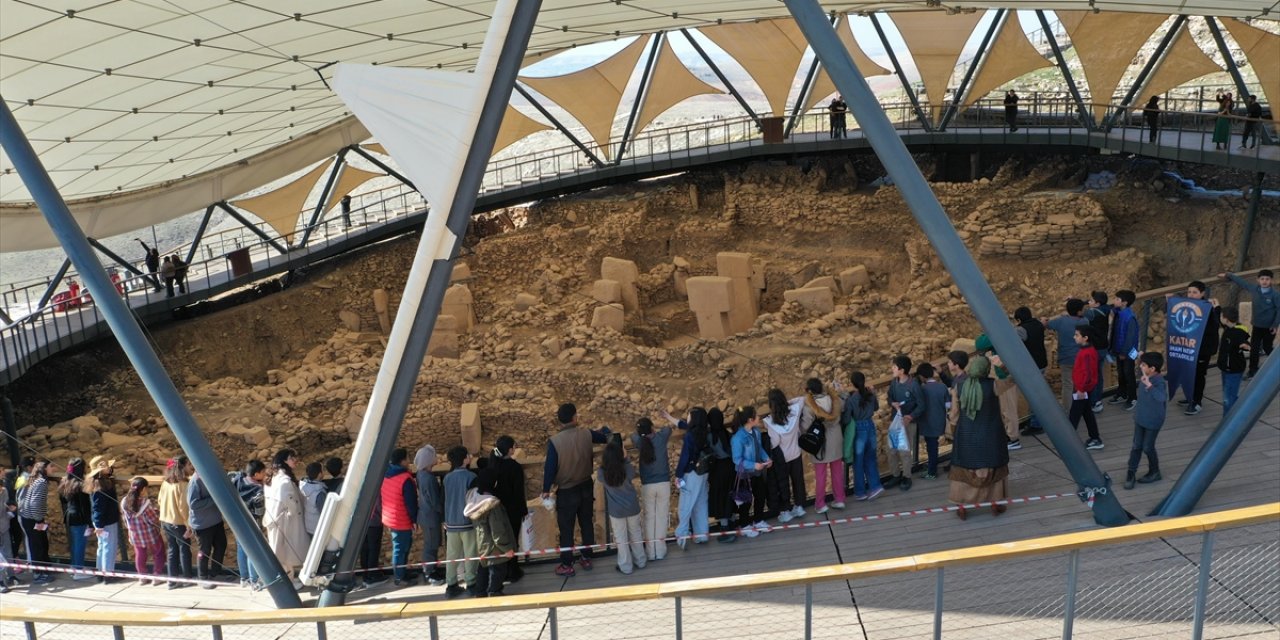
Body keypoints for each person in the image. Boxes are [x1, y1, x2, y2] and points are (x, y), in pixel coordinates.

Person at [540, 403, 610, 578]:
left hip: (566, 490)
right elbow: (604, 437)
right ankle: (586, 557)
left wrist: (545, 489)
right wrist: (605, 429)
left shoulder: (555, 442)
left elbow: (550, 468)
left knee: (566, 529)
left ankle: (567, 564)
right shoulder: (586, 433)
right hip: (586, 485)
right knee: (586, 523)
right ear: (574, 417)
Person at [949, 356, 1009, 520]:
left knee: (964, 467)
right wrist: (1002, 367)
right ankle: (994, 503)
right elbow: (1011, 380)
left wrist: (955, 432)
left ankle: (961, 506)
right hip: (991, 434)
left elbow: (954, 415)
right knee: (993, 466)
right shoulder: (994, 385)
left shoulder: (959, 386)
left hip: (966, 434)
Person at [597, 434, 646, 575]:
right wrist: (625, 458)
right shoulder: (628, 469)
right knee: (636, 534)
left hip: (616, 511)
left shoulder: (602, 473)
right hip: (632, 507)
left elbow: (602, 472)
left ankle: (626, 566)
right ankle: (641, 561)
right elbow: (631, 472)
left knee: (621, 539)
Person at [1174, 281, 1221, 416]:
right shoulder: (1187, 307)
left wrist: (1217, 309)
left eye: (1195, 292)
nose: (1191, 295)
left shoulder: (1208, 307)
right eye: (1189, 292)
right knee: (1189, 373)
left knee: (1199, 375)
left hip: (1203, 348)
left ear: (1202, 293)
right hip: (1190, 347)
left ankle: (1197, 402)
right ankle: (1190, 397)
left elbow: (1215, 326)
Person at [465, 469, 514, 596]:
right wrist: (506, 547)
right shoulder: (492, 504)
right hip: (495, 547)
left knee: (483, 568)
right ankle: (494, 592)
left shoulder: (474, 500)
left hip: (482, 544)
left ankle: (480, 593)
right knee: (498, 570)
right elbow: (497, 530)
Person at [1221, 269, 1278, 380]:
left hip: (1269, 328)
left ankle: (1277, 365)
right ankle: (1253, 370)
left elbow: (1279, 310)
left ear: (1271, 280)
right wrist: (1229, 274)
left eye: (1267, 279)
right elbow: (1242, 282)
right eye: (1262, 279)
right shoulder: (1254, 289)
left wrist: (1275, 325)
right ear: (1258, 280)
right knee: (1254, 349)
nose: (1264, 281)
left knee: (1267, 348)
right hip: (1257, 326)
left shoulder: (1275, 295)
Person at [262, 449, 308, 585]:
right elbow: (286, 498)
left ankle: (288, 579)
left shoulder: (273, 477)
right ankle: (286, 582)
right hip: (284, 520)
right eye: (291, 458)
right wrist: (293, 511)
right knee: (284, 551)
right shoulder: (284, 480)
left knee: (281, 550)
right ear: (284, 461)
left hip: (275, 519)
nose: (295, 460)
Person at [631, 417, 672, 562]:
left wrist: (642, 433)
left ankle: (650, 552)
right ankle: (660, 551)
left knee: (649, 518)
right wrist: (655, 428)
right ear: (652, 428)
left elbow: (633, 435)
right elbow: (668, 428)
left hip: (647, 485)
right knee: (661, 517)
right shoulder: (661, 437)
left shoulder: (639, 441)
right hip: (663, 483)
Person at [800, 379, 844, 513]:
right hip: (836, 439)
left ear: (810, 391)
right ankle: (840, 499)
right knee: (837, 473)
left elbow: (806, 426)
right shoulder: (834, 400)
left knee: (820, 475)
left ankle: (820, 504)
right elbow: (843, 406)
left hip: (820, 444)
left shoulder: (809, 406)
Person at [486, 436, 526, 583]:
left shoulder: (493, 465)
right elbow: (519, 492)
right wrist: (523, 510)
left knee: (500, 541)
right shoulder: (515, 467)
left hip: (496, 510)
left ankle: (500, 573)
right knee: (513, 541)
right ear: (510, 449)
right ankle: (512, 571)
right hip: (513, 510)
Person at [839, 371, 884, 501]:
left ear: (852, 384)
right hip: (870, 426)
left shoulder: (851, 400)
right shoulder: (869, 394)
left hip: (858, 430)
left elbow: (847, 419)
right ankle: (875, 486)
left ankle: (860, 492)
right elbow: (875, 408)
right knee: (870, 458)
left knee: (857, 462)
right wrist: (873, 392)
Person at [1125, 353, 1168, 489]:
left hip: (1153, 420)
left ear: (1153, 369)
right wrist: (1141, 357)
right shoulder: (1145, 375)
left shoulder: (1159, 382)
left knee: (1148, 447)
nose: (1140, 366)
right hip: (1140, 418)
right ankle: (1131, 473)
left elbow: (1161, 398)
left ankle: (1155, 471)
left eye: (1143, 365)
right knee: (1136, 446)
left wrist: (1149, 386)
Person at [764, 388, 807, 520]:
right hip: (796, 453)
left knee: (783, 484)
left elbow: (775, 443)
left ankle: (786, 510)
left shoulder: (769, 421)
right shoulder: (794, 411)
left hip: (782, 458)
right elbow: (802, 399)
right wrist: (787, 403)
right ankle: (799, 506)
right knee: (798, 481)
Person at [730, 406, 772, 538]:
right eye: (756, 415)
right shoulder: (737, 438)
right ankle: (744, 525)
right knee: (746, 501)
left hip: (757, 472)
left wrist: (766, 458)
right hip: (744, 475)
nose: (759, 417)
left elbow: (759, 449)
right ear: (750, 419)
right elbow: (737, 459)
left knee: (760, 495)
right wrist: (754, 465)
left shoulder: (756, 432)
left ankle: (758, 520)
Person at [671, 408, 710, 548]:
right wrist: (669, 417)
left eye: (689, 415)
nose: (687, 417)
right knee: (700, 504)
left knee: (685, 505)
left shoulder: (690, 436)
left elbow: (685, 457)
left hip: (691, 473)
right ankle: (702, 535)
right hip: (704, 472)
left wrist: (678, 475)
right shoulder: (706, 431)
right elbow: (683, 424)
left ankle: (681, 537)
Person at [380, 448, 418, 587]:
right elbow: (411, 502)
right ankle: (399, 577)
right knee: (400, 548)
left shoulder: (386, 474)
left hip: (390, 516)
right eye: (407, 458)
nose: (409, 461)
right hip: (401, 518)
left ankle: (402, 572)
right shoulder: (405, 479)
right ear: (402, 461)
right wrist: (414, 520)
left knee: (402, 547)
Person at [975, 334, 1021, 450]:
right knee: (1005, 408)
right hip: (1005, 375)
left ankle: (1013, 438)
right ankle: (1009, 435)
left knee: (1008, 409)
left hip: (1005, 376)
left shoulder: (994, 333)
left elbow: (980, 343)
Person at [444, 446, 478, 597]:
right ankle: (471, 582)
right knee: (470, 553)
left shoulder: (447, 478)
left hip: (451, 522)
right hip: (467, 521)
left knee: (452, 555)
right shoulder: (471, 477)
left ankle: (451, 584)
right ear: (464, 459)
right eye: (468, 455)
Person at [187, 462, 228, 588]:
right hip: (202, 525)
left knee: (221, 545)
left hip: (215, 520)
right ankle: (202, 577)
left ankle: (216, 573)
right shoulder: (195, 482)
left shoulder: (209, 477)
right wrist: (214, 499)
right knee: (204, 551)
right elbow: (193, 504)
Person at [886, 355, 923, 490]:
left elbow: (921, 405)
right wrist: (892, 403)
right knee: (891, 449)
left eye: (894, 367)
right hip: (896, 421)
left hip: (908, 423)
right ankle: (895, 475)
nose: (892, 369)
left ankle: (907, 477)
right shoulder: (894, 382)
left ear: (901, 370)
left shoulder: (913, 385)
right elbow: (889, 396)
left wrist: (910, 417)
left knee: (905, 451)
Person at [1045, 298, 1089, 410]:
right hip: (1081, 358)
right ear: (1079, 311)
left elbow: (1047, 324)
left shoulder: (1061, 321)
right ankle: (1081, 408)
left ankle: (1068, 410)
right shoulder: (1084, 322)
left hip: (1065, 358)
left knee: (1067, 385)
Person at [121, 477, 165, 585]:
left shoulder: (124, 501)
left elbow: (125, 517)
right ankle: (157, 576)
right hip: (149, 533)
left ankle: (142, 577)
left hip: (135, 534)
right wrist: (157, 513)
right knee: (159, 552)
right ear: (144, 489)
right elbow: (153, 519)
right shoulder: (145, 503)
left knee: (140, 554)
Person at [158, 457, 193, 589]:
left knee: (172, 550)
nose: (191, 467)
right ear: (182, 467)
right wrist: (188, 526)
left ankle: (172, 580)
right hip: (179, 523)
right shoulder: (183, 484)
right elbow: (183, 507)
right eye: (189, 464)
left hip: (165, 521)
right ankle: (187, 577)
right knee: (184, 550)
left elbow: (160, 500)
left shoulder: (166, 482)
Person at [230, 460, 266, 588]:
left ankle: (244, 578)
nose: (265, 474)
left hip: (236, 520)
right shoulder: (257, 489)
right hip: (252, 522)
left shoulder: (238, 479)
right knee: (253, 550)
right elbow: (260, 511)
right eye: (263, 473)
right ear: (256, 475)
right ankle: (254, 580)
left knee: (241, 548)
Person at [1014, 306, 1049, 436]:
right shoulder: (1038, 324)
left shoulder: (1021, 330)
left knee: (1034, 397)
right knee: (1039, 393)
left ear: (1018, 319)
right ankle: (1041, 420)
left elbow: (1012, 341)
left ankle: (1036, 424)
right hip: (1042, 363)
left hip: (1031, 366)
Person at [17, 461, 53, 584]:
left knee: (40, 544)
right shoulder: (41, 482)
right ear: (44, 469)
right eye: (50, 466)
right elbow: (35, 503)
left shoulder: (37, 480)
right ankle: (38, 575)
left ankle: (44, 570)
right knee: (37, 546)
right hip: (32, 519)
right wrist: (39, 521)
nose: (52, 468)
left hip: (31, 517)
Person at [1069, 326, 1105, 450]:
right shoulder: (1087, 351)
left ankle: (1068, 442)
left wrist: (1081, 389)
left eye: (1077, 335)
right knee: (1087, 413)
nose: (1075, 337)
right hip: (1083, 389)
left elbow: (1088, 374)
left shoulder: (1087, 353)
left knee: (1074, 416)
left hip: (1082, 390)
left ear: (1085, 338)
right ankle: (1095, 438)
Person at [415, 445, 445, 586]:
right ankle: (429, 572)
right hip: (431, 517)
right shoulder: (429, 478)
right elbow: (434, 500)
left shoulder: (421, 475)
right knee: (431, 545)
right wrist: (443, 513)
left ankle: (432, 569)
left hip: (426, 516)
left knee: (431, 543)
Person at [705, 408, 737, 541]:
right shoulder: (727, 434)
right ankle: (733, 521)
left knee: (720, 497)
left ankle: (724, 528)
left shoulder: (709, 436)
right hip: (730, 467)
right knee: (730, 494)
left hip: (717, 469)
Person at [59, 458, 93, 580]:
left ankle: (74, 567)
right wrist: (90, 523)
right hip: (80, 517)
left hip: (69, 516)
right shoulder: (80, 484)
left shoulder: (64, 482)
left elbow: (63, 501)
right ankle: (79, 571)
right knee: (80, 544)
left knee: (73, 543)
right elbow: (85, 506)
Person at [88, 456, 120, 583]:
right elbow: (98, 507)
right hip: (107, 521)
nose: (110, 468)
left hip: (101, 521)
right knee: (109, 546)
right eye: (107, 466)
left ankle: (100, 572)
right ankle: (108, 574)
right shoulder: (101, 486)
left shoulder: (97, 482)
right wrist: (99, 525)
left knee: (102, 546)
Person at [1108, 290, 1140, 410]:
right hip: (1120, 350)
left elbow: (1131, 338)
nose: (1114, 301)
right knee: (1121, 373)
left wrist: (1124, 353)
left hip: (1128, 352)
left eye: (1117, 299)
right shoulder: (1119, 313)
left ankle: (1133, 398)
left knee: (1129, 374)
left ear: (1124, 303)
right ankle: (1122, 393)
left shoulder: (1129, 317)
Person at [916, 363, 948, 479]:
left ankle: (932, 471)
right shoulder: (942, 387)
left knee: (931, 447)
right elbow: (948, 405)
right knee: (934, 446)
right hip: (939, 421)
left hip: (927, 423)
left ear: (921, 376)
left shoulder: (922, 389)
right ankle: (931, 468)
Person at [1217, 306, 1251, 415]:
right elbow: (1219, 321)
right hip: (1225, 369)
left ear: (1226, 319)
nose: (1220, 318)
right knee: (1229, 395)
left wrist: (1245, 346)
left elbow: (1245, 342)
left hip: (1233, 371)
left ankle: (1226, 424)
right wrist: (1216, 307)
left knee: (1228, 399)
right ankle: (1240, 411)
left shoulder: (1237, 333)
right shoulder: (1229, 327)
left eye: (1221, 316)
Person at [1085, 291, 1112, 412]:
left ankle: (1094, 402)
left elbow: (1078, 313)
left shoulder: (1091, 313)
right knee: (1098, 374)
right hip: (1103, 348)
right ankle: (1098, 399)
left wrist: (1073, 302)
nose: (1088, 302)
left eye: (1091, 300)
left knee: (1092, 376)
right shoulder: (1106, 309)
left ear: (1097, 303)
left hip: (1094, 349)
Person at [300, 462, 327, 538]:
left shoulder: (304, 486)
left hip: (308, 525)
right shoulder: (319, 493)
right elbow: (324, 512)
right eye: (322, 470)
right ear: (319, 474)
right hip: (317, 528)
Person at [0, 463, 15, 593]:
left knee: (8, 552)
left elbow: (5, 505)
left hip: (4, 525)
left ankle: (11, 575)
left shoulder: (4, 491)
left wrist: (10, 510)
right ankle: (1, 582)